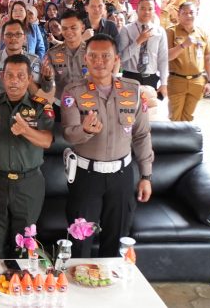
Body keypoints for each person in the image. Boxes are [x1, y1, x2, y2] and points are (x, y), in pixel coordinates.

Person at [60, 34, 153, 258]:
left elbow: (141, 135)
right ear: (85, 58)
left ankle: (110, 281)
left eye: (105, 56)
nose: (99, 61)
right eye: (93, 56)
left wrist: (146, 176)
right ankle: (78, 281)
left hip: (122, 177)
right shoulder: (72, 92)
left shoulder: (133, 90)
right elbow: (69, 134)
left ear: (116, 59)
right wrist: (85, 130)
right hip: (86, 176)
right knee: (80, 243)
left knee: (116, 243)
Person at [0, 54, 54, 258]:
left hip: (29, 183)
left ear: (29, 79)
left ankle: (21, 278)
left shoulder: (40, 106)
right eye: (9, 75)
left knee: (25, 245)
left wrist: (26, 130)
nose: (14, 81)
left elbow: (47, 140)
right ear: (2, 77)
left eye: (20, 76)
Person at [166, 2, 210, 121]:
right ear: (179, 15)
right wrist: (183, 45)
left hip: (197, 81)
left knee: (189, 118)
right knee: (175, 117)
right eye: (185, 13)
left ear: (197, 13)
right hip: (177, 80)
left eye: (191, 12)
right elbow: (166, 56)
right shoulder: (171, 32)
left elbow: (209, 59)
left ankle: (185, 134)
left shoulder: (203, 33)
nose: (188, 15)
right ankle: (174, 134)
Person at [0, 21, 52, 98]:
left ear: (24, 37)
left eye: (18, 34)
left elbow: (35, 92)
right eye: (9, 34)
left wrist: (25, 75)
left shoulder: (34, 60)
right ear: (3, 37)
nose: (13, 38)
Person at [118, 0, 169, 97]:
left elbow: (163, 59)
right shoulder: (126, 29)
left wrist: (164, 83)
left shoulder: (160, 31)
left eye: (150, 9)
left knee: (148, 106)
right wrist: (138, 41)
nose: (146, 12)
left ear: (154, 11)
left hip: (151, 78)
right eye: (143, 8)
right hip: (130, 77)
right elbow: (123, 57)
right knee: (128, 105)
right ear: (137, 10)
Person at [45, 10, 89, 101]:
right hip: (61, 103)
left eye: (73, 28)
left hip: (87, 103)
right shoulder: (52, 53)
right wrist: (47, 78)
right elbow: (47, 89)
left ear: (82, 28)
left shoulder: (92, 52)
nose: (68, 32)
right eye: (64, 28)